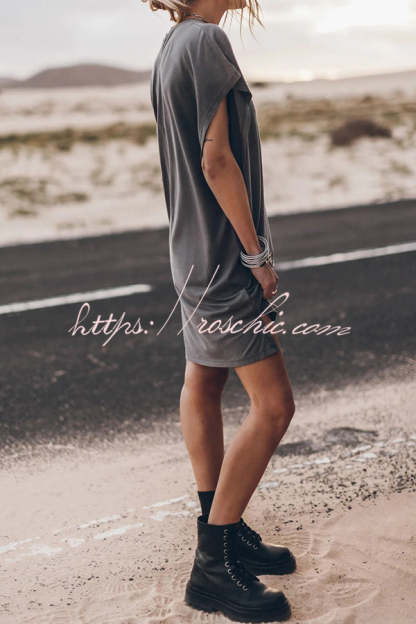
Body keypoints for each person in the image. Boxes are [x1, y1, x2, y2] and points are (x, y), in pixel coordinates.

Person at [145, 0, 296, 620]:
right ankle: (213, 564)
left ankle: (224, 531)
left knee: (203, 383)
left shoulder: (173, 44)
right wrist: (256, 255)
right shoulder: (206, 41)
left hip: (190, 254)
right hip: (222, 259)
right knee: (275, 406)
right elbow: (214, 160)